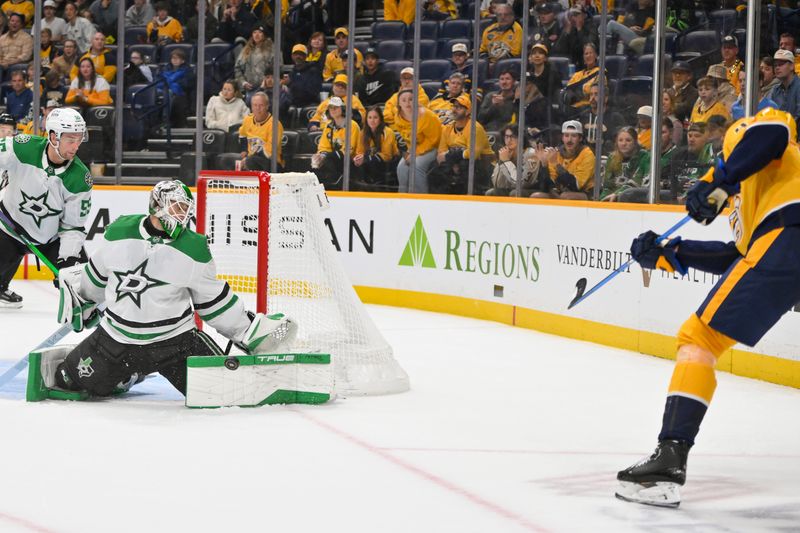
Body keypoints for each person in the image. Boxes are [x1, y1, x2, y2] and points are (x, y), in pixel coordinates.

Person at [616, 108, 800, 508]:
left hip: (791, 237)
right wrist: (668, 253)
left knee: (698, 338)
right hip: (782, 247)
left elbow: (771, 133)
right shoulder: (749, 204)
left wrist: (719, 177)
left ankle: (669, 459)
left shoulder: (760, 141)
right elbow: (740, 258)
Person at [42, 179, 297, 398]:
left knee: (225, 391)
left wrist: (245, 330)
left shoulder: (193, 248)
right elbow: (95, 279)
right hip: (116, 340)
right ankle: (126, 375)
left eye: (185, 208)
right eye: (176, 206)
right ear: (156, 205)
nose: (182, 215)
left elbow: (214, 303)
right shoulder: (119, 232)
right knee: (67, 379)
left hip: (174, 344)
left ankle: (128, 372)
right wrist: (83, 301)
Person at [0, 108, 90, 307]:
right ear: (53, 137)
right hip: (9, 228)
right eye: (70, 139)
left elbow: (73, 227)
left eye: (79, 139)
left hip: (51, 238)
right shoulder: (23, 147)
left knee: (82, 283)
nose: (75, 146)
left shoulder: (80, 178)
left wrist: (67, 261)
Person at [431, 93, 494, 194]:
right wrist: (452, 161)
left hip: (482, 166)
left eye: (459, 107)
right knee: (434, 171)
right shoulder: (447, 128)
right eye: (454, 106)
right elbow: (441, 153)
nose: (454, 110)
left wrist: (450, 156)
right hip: (456, 162)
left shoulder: (475, 128)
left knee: (465, 166)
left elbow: (473, 154)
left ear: (468, 111)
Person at [532, 120, 596, 200]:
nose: (569, 140)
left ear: (580, 138)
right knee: (536, 196)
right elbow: (545, 188)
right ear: (562, 138)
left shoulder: (587, 154)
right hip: (561, 192)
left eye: (574, 136)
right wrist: (544, 164)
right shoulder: (556, 153)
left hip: (586, 193)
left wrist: (556, 165)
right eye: (566, 135)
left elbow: (575, 186)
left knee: (566, 196)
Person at [394, 89, 442, 193]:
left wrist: (415, 153)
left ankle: (420, 197)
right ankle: (402, 195)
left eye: (411, 99)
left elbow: (434, 140)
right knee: (401, 167)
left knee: (417, 166)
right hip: (413, 149)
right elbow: (405, 139)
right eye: (404, 100)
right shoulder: (397, 117)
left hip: (434, 147)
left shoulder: (428, 116)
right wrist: (409, 153)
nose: (407, 103)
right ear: (399, 103)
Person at [311, 96, 360, 189]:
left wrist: (328, 156)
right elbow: (323, 147)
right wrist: (320, 156)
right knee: (315, 161)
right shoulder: (328, 126)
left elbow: (349, 151)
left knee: (329, 158)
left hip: (350, 161)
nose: (333, 110)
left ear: (343, 109)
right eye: (331, 108)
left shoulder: (352, 125)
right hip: (333, 159)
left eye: (336, 107)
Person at [485, 124, 540, 197]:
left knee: (515, 193)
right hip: (513, 188)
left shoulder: (531, 155)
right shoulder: (505, 153)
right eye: (506, 137)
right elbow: (497, 184)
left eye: (513, 136)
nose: (509, 140)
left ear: (521, 138)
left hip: (532, 189)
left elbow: (522, 184)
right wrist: (501, 162)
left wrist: (506, 162)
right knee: (491, 192)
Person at [353, 106, 400, 190]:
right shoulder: (363, 133)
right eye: (370, 117)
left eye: (375, 117)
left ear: (380, 119)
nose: (372, 120)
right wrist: (358, 159)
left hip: (388, 164)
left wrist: (366, 158)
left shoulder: (388, 132)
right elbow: (359, 152)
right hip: (370, 162)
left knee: (371, 163)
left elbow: (387, 156)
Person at [666, 121, 715, 199]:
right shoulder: (679, 155)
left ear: (708, 138)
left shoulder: (712, 158)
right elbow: (665, 178)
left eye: (697, 136)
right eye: (690, 135)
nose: (691, 139)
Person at [238, 91, 283, 171]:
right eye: (255, 105)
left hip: (272, 163)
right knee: (228, 160)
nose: (257, 108)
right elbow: (242, 135)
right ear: (251, 107)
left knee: (251, 161)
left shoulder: (275, 124)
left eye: (261, 105)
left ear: (267, 106)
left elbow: (269, 152)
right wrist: (244, 150)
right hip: (251, 159)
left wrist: (248, 159)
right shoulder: (247, 120)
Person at [600, 126, 645, 201]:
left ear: (635, 141)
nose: (624, 144)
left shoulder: (644, 156)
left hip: (634, 198)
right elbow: (607, 186)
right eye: (620, 140)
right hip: (612, 197)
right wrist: (602, 200)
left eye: (628, 140)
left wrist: (617, 194)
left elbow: (637, 181)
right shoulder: (612, 158)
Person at [578, 81, 624, 154]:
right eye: (591, 94)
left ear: (605, 98)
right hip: (586, 158)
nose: (592, 98)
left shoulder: (615, 118)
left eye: (596, 94)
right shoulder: (583, 116)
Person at [563, 43, 601, 118]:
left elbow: (592, 92)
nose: (588, 55)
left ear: (596, 55)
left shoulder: (601, 72)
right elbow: (567, 92)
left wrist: (576, 93)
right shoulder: (577, 74)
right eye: (586, 53)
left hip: (588, 109)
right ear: (583, 57)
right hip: (572, 108)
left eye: (591, 53)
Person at [234, 24, 273, 98]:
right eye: (254, 32)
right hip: (249, 90)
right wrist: (243, 82)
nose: (257, 35)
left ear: (264, 35)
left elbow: (278, 69)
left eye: (260, 32)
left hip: (267, 90)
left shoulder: (272, 50)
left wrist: (268, 82)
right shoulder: (246, 50)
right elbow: (237, 68)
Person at [160, 49, 193, 128]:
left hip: (181, 94)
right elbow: (158, 82)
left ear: (183, 60)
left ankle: (166, 119)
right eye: (172, 58)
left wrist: (170, 84)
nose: (174, 60)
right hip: (164, 91)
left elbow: (186, 84)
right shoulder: (165, 69)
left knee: (169, 94)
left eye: (177, 58)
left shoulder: (187, 71)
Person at [769, 49, 800, 127]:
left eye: (781, 64)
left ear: (792, 66)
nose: (777, 68)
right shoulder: (775, 90)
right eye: (775, 65)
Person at [285, 44, 321, 109]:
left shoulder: (313, 71)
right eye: (296, 54)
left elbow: (313, 92)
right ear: (292, 56)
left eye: (301, 54)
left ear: (305, 56)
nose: (298, 56)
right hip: (294, 105)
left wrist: (290, 84)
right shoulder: (292, 73)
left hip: (310, 105)